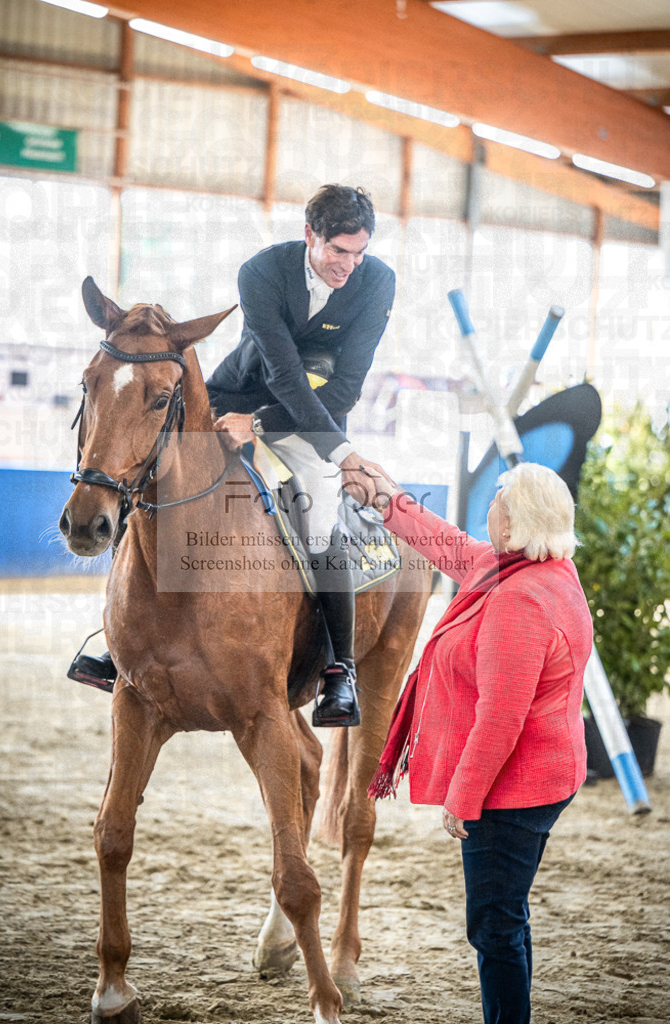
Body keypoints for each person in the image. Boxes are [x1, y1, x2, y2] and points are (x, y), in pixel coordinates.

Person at [69, 184, 394, 728]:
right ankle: (116, 640)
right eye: (338, 251)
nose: (349, 266)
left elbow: (345, 390)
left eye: (358, 253)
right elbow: (283, 373)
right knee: (150, 479)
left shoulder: (377, 283)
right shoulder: (262, 273)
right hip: (234, 397)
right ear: (309, 235)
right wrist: (247, 418)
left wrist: (266, 428)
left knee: (317, 521)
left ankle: (339, 671)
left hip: (312, 420)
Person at [348, 461, 593, 1024]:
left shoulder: (517, 601)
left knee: (492, 923)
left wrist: (464, 798)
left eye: (498, 500)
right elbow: (445, 543)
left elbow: (500, 718)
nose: (489, 507)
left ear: (513, 525)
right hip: (549, 772)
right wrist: (387, 496)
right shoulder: (538, 569)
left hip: (517, 789)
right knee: (507, 912)